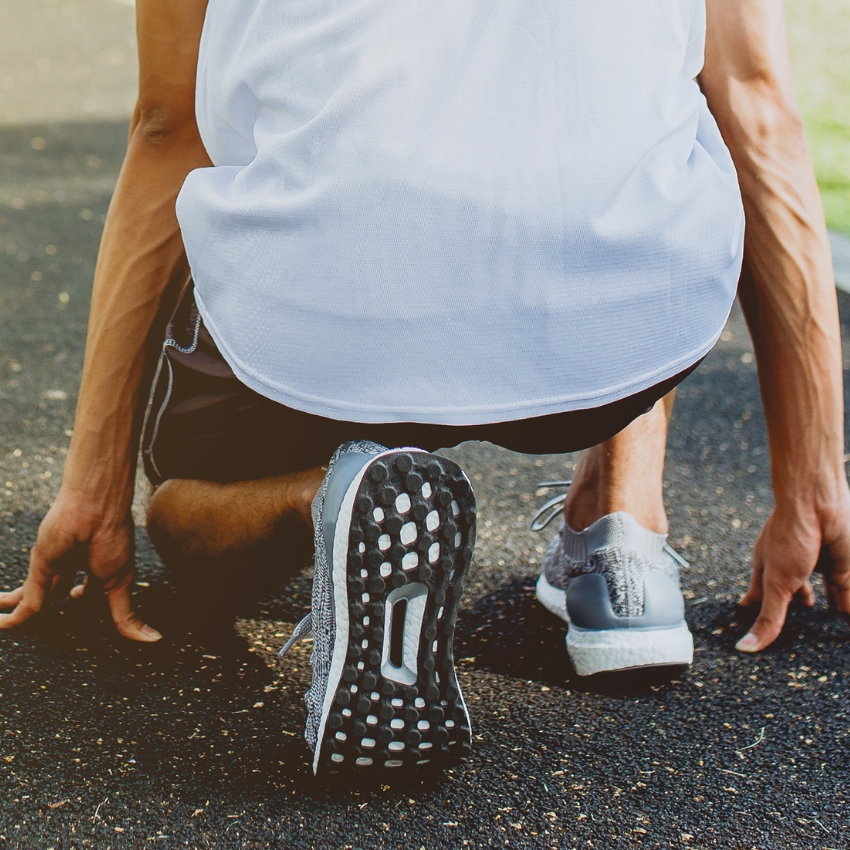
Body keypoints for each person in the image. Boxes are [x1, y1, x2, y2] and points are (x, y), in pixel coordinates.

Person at [0, 0, 846, 775]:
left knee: (185, 519)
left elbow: (167, 126)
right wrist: (811, 479)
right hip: (617, 321)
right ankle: (621, 530)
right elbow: (758, 108)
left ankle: (326, 500)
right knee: (638, 106)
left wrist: (94, 488)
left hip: (332, 316)